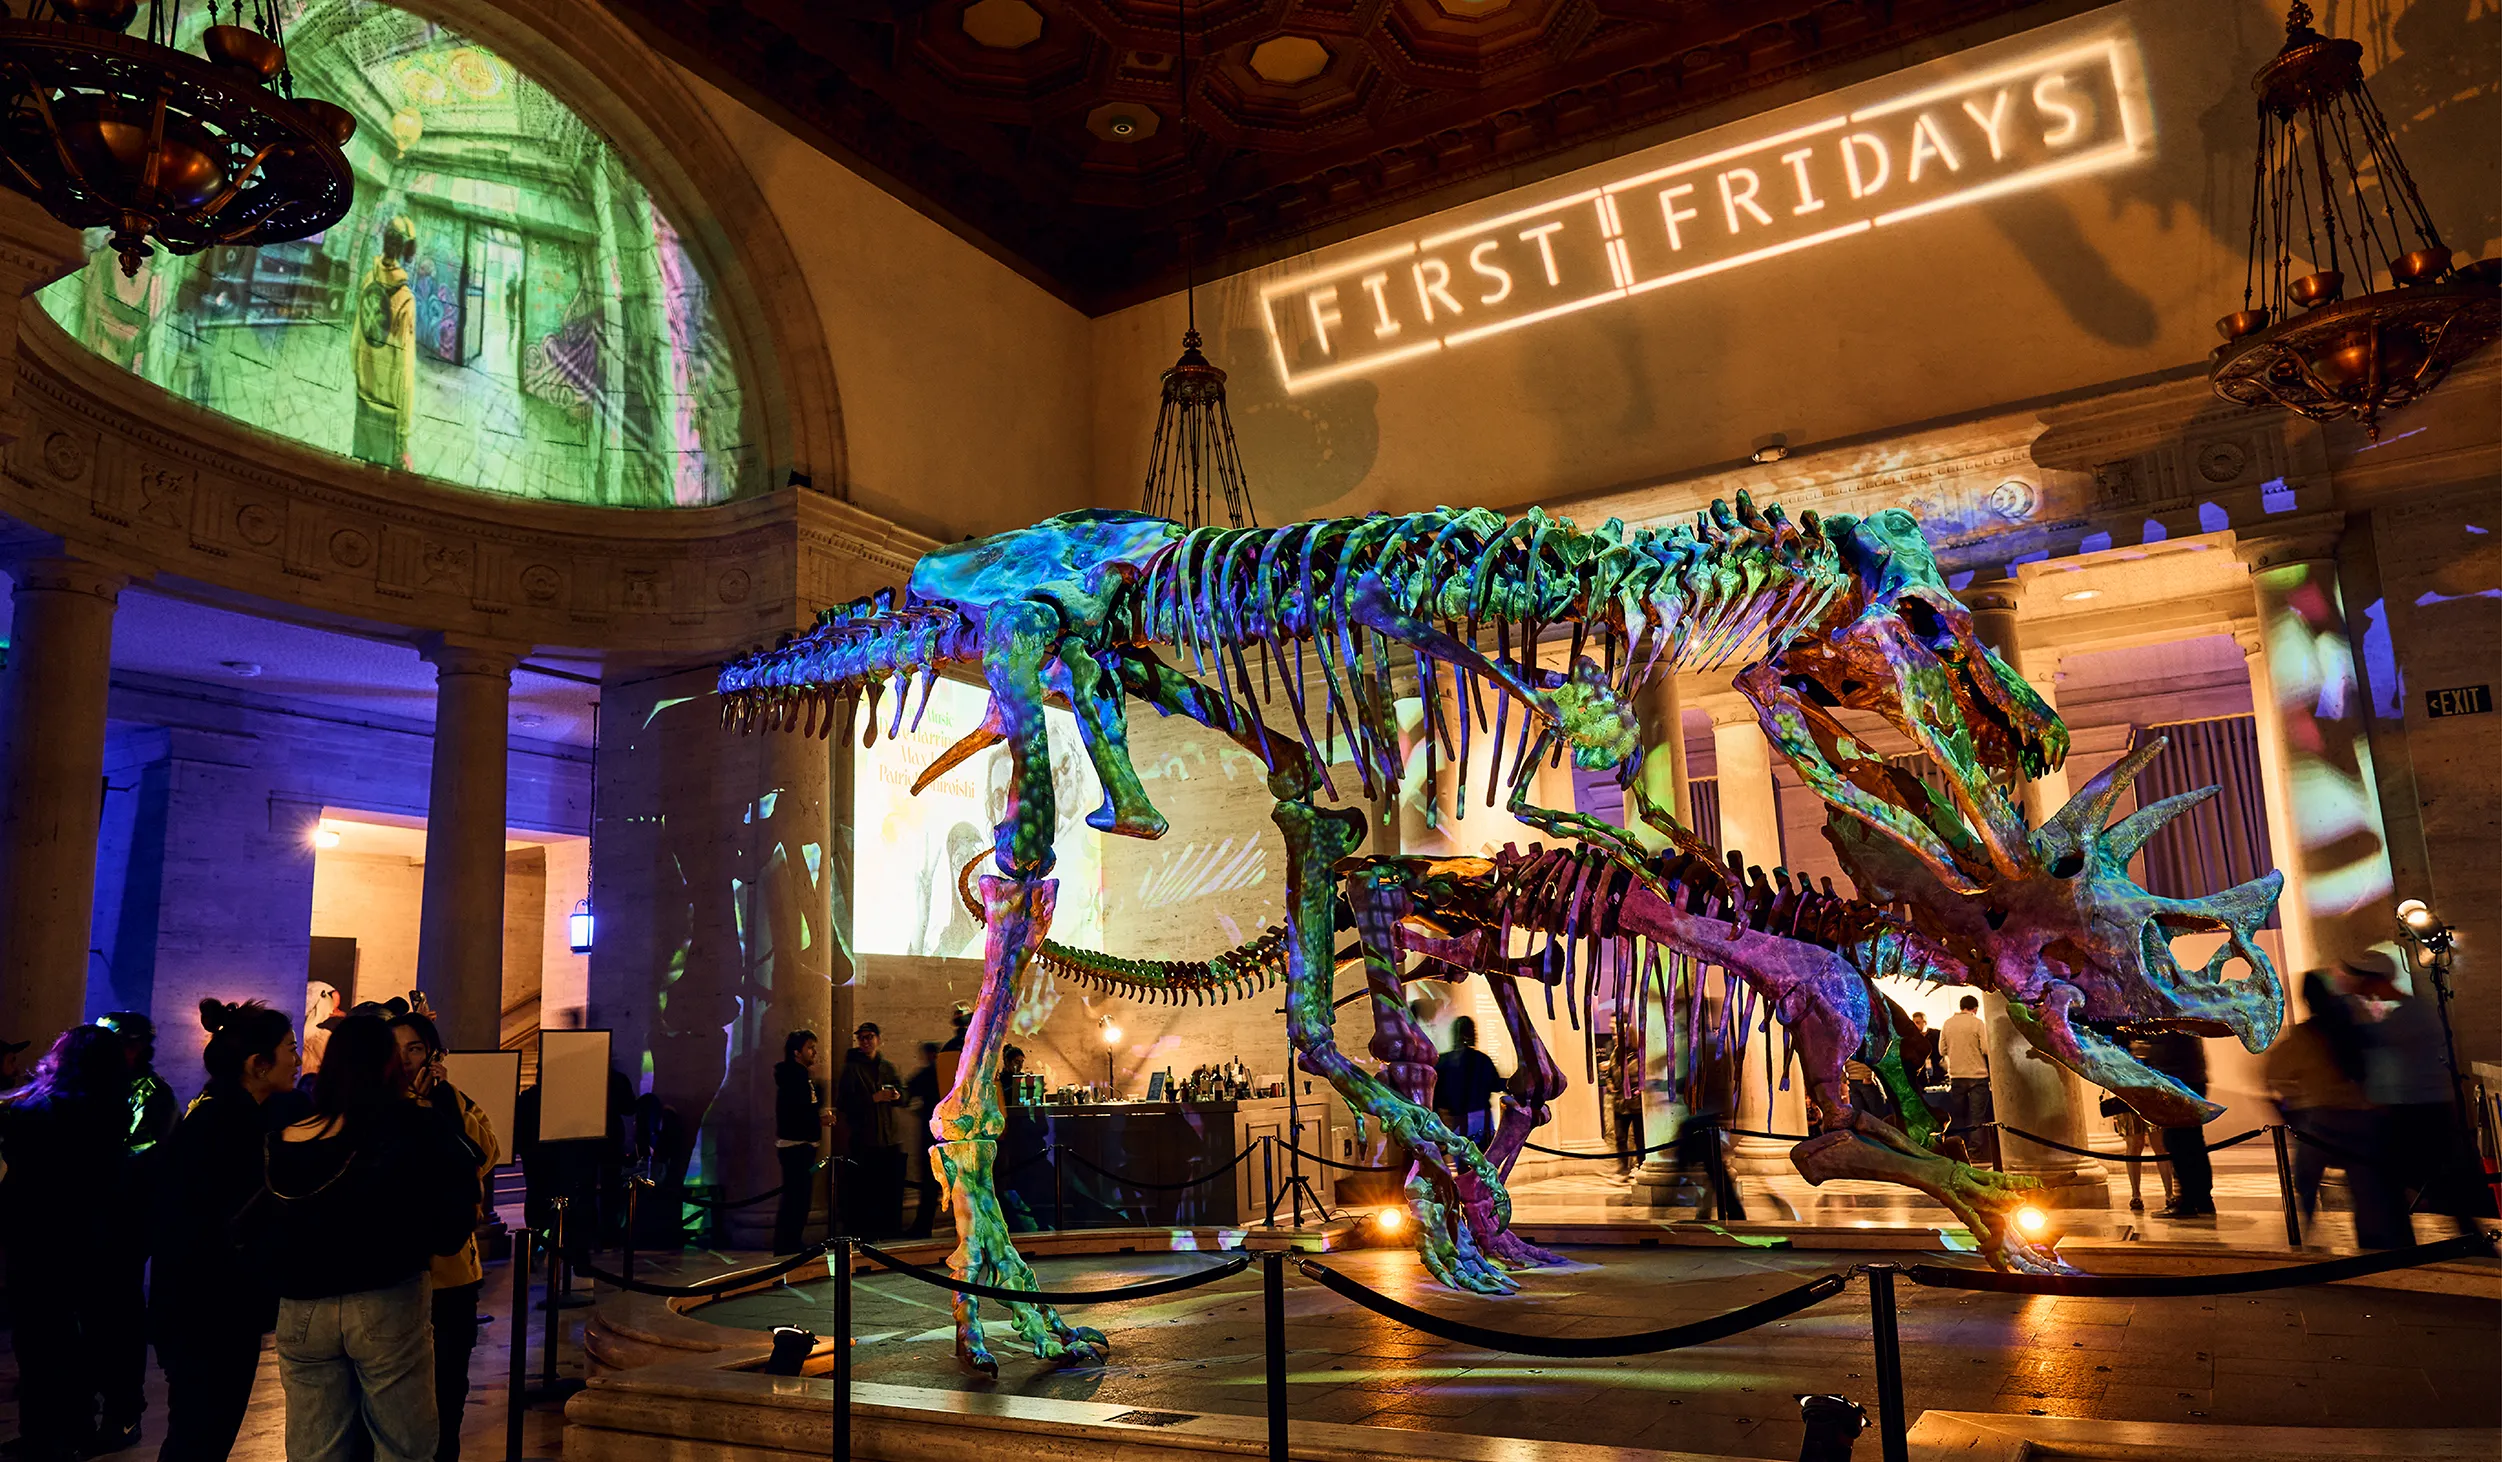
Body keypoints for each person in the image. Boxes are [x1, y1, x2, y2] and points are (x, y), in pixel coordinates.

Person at [262, 1013, 480, 1462]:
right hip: (386, 1297)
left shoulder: (287, 1137)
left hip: (302, 1307)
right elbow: (458, 1207)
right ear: (388, 1065)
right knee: (403, 1445)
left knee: (314, 1448)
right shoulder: (412, 1123)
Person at [152, 999, 298, 1462]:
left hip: (207, 1305)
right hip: (209, 1308)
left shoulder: (225, 1111)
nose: (297, 1060)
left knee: (202, 1432)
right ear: (257, 1065)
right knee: (201, 1434)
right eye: (289, 1049)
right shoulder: (224, 1124)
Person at [0, 1026, 138, 1460]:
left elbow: (19, 1164)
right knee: (78, 1338)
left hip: (39, 1240)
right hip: (93, 1239)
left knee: (40, 1340)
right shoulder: (112, 1108)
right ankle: (76, 1427)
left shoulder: (38, 1111)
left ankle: (43, 1435)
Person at [390, 1010, 501, 1462]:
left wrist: (442, 1104)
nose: (404, 1060)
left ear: (432, 1054)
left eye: (414, 1048)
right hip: (395, 1277)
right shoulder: (376, 1106)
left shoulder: (453, 1102)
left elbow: (484, 1155)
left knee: (448, 1390)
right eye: (394, 1050)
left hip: (452, 1276)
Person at [2348, 953, 2495, 1230]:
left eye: (2361, 979)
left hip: (2420, 1107)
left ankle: (2463, 1237)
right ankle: (2466, 1235)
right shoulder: (2413, 1010)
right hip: (2421, 1103)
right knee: (2436, 1176)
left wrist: (2354, 1008)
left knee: (2423, 1175)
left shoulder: (2410, 1014)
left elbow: (2370, 1039)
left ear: (2374, 979)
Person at [2266, 969, 2405, 1246]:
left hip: (2323, 1120)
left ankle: (2300, 1238)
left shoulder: (2305, 1036)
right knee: (2366, 1191)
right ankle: (2373, 1244)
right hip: (2363, 1117)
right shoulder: (2352, 1027)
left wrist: (2288, 1109)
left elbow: (2272, 1075)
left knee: (2305, 1182)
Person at [352, 214, 419, 471]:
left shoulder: (369, 279)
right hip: (388, 408)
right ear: (406, 249)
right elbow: (404, 371)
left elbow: (356, 338)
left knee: (359, 468)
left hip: (363, 394)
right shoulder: (404, 300)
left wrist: (359, 376)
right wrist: (403, 434)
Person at [2132, 1029, 2214, 1219]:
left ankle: (2187, 1201)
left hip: (2178, 1082)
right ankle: (2202, 1198)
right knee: (2192, 1141)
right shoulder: (2185, 1021)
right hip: (2190, 1079)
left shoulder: (2169, 1026)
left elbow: (2167, 1054)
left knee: (2177, 1141)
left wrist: (2147, 1056)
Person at [835, 1023, 905, 1238]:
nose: (865, 1042)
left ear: (878, 1039)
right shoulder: (852, 1069)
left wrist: (897, 1096)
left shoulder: (887, 1067)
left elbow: (903, 1093)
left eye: (869, 1037)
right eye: (861, 1038)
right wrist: (872, 1099)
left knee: (888, 1192)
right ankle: (866, 1233)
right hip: (865, 1139)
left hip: (888, 1138)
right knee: (865, 1192)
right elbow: (844, 1103)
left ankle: (888, 1232)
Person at [772, 1030, 833, 1254]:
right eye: (809, 1048)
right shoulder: (794, 1077)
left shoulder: (801, 1075)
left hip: (802, 1144)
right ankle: (788, 1243)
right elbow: (797, 1112)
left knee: (799, 1198)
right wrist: (819, 1120)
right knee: (796, 1199)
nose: (814, 1052)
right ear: (797, 1052)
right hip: (795, 1145)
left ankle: (790, 1241)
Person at [1431, 1017, 1504, 1148]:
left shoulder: (1443, 1062)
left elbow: (1437, 1096)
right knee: (1484, 1160)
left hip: (1457, 1120)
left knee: (1463, 1161)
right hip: (1481, 1118)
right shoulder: (1482, 1060)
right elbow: (1496, 1084)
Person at [1939, 995, 1994, 1165]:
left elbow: (1942, 1050)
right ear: (1975, 1008)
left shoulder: (1948, 1023)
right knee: (1977, 1115)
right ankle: (1975, 1152)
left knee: (1958, 1115)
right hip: (1978, 1075)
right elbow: (1986, 1048)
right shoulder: (1977, 1023)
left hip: (1956, 1075)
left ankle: (1959, 1150)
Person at [902, 1041, 942, 1238]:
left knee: (929, 1182)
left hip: (931, 1136)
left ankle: (923, 1226)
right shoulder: (951, 1074)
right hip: (950, 1135)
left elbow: (905, 1095)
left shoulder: (926, 1075)